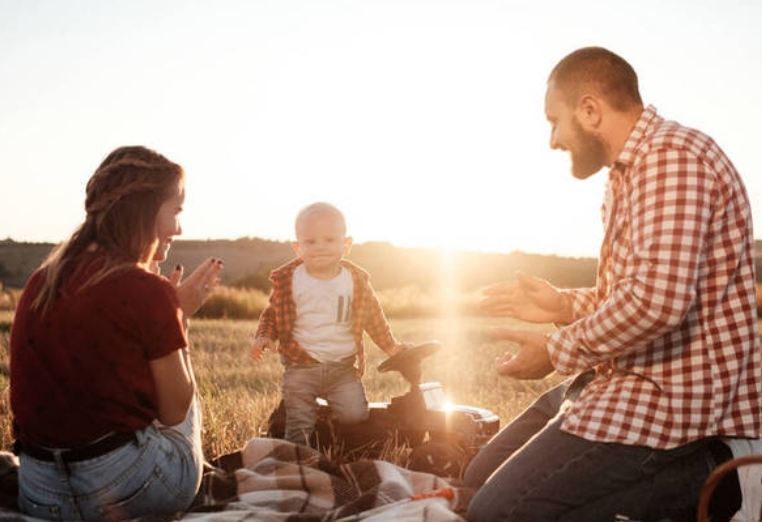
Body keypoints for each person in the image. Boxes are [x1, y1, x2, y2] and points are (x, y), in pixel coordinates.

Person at [465, 47, 760, 522]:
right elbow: (631, 295)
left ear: (589, 109)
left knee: (497, 513)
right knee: (475, 480)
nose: (553, 139)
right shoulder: (627, 174)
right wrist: (561, 302)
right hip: (619, 378)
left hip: (673, 404)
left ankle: (718, 472)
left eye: (554, 121)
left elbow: (658, 303)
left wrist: (554, 350)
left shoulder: (672, 160)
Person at [10, 145, 223, 521]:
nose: (179, 227)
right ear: (143, 211)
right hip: (129, 490)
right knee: (180, 404)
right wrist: (178, 318)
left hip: (40, 492)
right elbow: (174, 411)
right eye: (175, 211)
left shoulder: (41, 282)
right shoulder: (145, 289)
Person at [250, 202, 408, 446]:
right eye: (311, 242)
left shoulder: (355, 282)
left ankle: (327, 428)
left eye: (329, 240)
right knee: (299, 425)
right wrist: (264, 336)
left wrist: (391, 346)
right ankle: (298, 460)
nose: (320, 247)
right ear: (297, 247)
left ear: (346, 245)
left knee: (355, 415)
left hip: (342, 368)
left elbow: (373, 318)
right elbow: (271, 314)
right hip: (300, 366)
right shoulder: (290, 280)